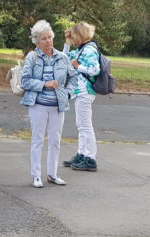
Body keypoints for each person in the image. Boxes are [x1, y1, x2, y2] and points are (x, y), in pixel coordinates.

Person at [21, 20, 77, 188]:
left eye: (50, 37)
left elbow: (73, 77)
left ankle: (52, 174)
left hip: (58, 105)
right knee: (38, 139)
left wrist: (68, 92)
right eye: (44, 38)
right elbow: (25, 81)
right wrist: (44, 84)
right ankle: (36, 175)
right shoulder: (33, 57)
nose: (48, 41)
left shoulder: (62, 57)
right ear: (37, 41)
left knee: (55, 140)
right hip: (38, 104)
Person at [62, 22, 100, 172]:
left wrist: (78, 66)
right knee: (81, 125)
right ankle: (82, 154)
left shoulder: (89, 50)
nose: (73, 39)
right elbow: (64, 58)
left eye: (74, 36)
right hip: (80, 91)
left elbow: (95, 70)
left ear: (80, 35)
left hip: (85, 91)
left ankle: (90, 158)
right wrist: (66, 42)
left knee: (85, 125)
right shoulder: (81, 49)